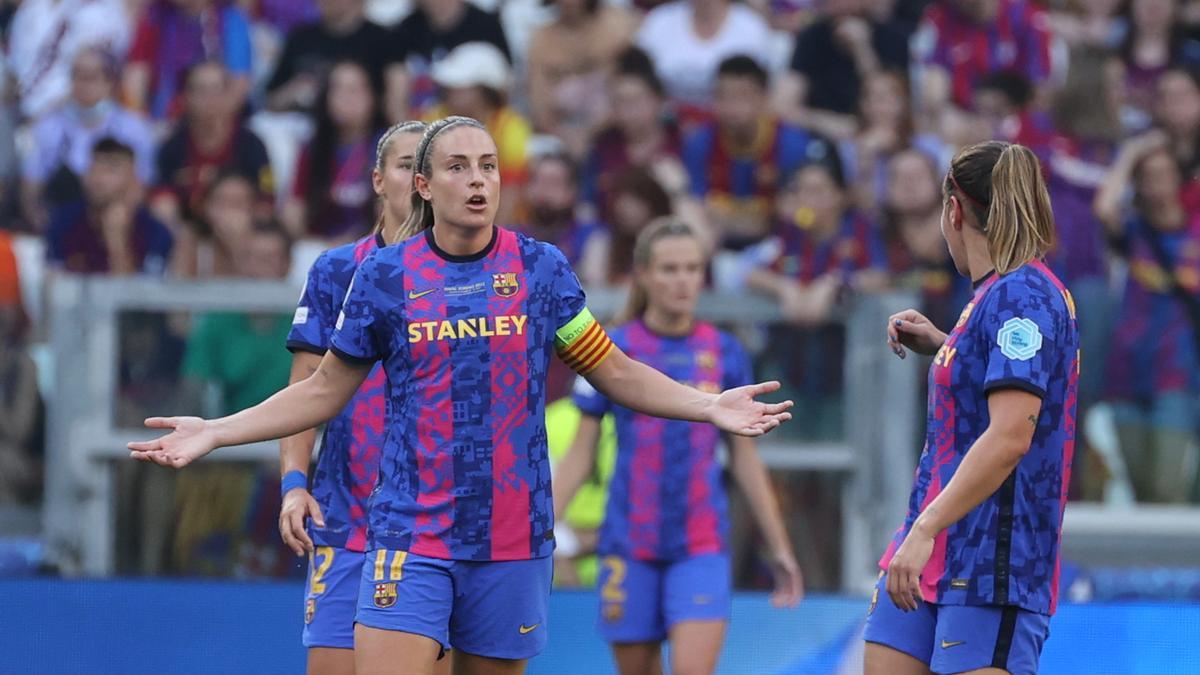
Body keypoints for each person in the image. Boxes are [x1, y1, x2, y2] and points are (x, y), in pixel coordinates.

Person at [128, 116, 793, 675]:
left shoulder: (541, 269)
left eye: (488, 166)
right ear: (424, 184)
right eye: (457, 167)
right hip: (409, 531)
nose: (477, 180)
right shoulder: (383, 277)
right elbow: (322, 389)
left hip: (511, 535)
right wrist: (218, 429)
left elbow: (612, 368)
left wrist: (706, 404)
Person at [553, 218, 804, 675]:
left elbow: (745, 459)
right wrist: (543, 527)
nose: (683, 280)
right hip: (629, 543)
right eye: (669, 269)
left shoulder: (724, 351)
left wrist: (779, 546)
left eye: (692, 268)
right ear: (643, 274)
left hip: (700, 543)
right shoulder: (613, 350)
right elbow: (581, 452)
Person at [865, 141, 1080, 675]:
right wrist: (945, 346)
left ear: (954, 210)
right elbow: (1000, 379)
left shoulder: (1024, 296)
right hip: (934, 541)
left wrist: (923, 530)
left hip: (991, 561)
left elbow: (1010, 435)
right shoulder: (991, 296)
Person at [280, 121, 454, 675]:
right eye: (406, 164)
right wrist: (293, 484)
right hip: (345, 517)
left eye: (428, 167)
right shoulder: (336, 271)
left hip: (434, 529)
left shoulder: (470, 277)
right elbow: (305, 389)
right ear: (378, 179)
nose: (416, 178)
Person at [1094, 133, 1200, 503]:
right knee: (1140, 488)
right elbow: (1105, 207)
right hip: (1126, 369)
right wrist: (1131, 153)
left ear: (1179, 179)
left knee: (1168, 488)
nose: (1157, 184)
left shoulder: (1195, 229)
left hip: (1177, 371)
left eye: (1164, 174)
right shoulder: (1134, 232)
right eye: (1148, 176)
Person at [22, 47, 155, 230]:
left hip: (117, 221)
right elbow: (31, 186)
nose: (81, 84)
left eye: (90, 77)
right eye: (76, 75)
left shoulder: (133, 128)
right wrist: (45, 226)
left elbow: (141, 185)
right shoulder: (47, 127)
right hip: (60, 220)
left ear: (110, 82)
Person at [281, 59, 386, 242]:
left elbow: (394, 217)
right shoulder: (312, 148)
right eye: (338, 90)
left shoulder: (388, 147)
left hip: (372, 248)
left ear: (373, 97)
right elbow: (295, 205)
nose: (346, 98)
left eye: (354, 90)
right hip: (318, 247)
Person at [45, 137, 173, 276]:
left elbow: (141, 294)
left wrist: (117, 243)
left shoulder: (155, 232)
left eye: (111, 169)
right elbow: (54, 280)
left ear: (134, 181)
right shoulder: (64, 221)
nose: (98, 177)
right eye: (94, 166)